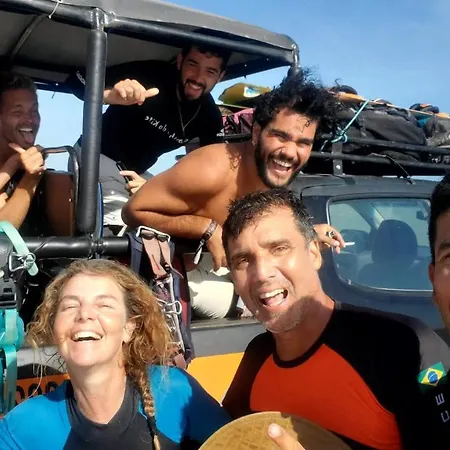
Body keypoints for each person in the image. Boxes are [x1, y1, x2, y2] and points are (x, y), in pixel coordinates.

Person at [220, 187, 450, 449]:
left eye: (279, 248)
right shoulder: (257, 355)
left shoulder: (403, 345)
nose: (261, 273)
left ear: (314, 254)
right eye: (243, 261)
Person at [122, 69, 345, 320]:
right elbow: (132, 211)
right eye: (280, 136)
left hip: (218, 272)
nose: (290, 152)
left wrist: (307, 234)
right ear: (257, 132)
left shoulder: (275, 177)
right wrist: (205, 228)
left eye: (303, 143)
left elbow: (260, 230)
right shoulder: (212, 169)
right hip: (164, 280)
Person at [0, 259, 230, 449]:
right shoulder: (23, 427)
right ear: (54, 328)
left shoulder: (175, 392)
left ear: (129, 328)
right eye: (70, 306)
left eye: (104, 305)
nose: (85, 315)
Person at [65, 33, 230, 228]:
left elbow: (212, 169)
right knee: (127, 227)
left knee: (176, 225)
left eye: (210, 71)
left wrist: (161, 190)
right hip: (96, 158)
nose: (198, 77)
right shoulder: (150, 75)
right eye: (193, 64)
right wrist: (109, 96)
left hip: (138, 175)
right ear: (180, 61)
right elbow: (76, 81)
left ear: (220, 76)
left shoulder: (209, 116)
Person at [0, 72, 45, 229]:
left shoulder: (50, 180)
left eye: (34, 111)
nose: (30, 119)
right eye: (17, 112)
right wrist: (30, 179)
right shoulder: (32, 176)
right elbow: (3, 235)